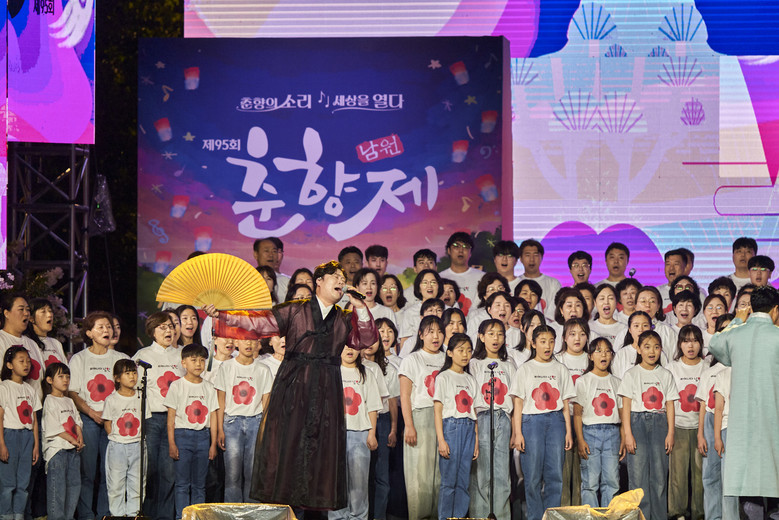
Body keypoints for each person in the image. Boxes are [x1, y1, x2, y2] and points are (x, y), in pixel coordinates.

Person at [207, 260, 378, 511]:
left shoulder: (344, 318)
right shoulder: (296, 310)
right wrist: (221, 315)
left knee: (321, 453)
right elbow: (258, 323)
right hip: (294, 386)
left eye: (343, 278)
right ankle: (285, 511)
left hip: (327, 391)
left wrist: (360, 307)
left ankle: (315, 511)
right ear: (319, 281)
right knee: (288, 449)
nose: (341, 281)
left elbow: (367, 338)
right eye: (335, 276)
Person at [708, 285, 779, 516]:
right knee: (773, 479)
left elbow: (715, 344)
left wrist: (738, 320)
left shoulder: (736, 333)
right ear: (776, 310)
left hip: (743, 425)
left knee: (749, 484)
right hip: (772, 419)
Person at [510, 325, 575, 520]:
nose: (548, 346)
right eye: (543, 341)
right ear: (533, 343)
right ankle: (535, 517)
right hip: (532, 423)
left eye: (551, 341)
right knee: (532, 477)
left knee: (555, 476)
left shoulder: (560, 369)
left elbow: (565, 403)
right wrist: (518, 433)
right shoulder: (525, 369)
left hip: (556, 422)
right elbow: (518, 404)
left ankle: (550, 517)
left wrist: (568, 431)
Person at [69, 311, 128, 520]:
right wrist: (91, 412)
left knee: (110, 472)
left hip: (115, 422)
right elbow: (73, 392)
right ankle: (86, 514)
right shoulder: (79, 359)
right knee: (87, 472)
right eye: (101, 327)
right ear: (89, 333)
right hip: (89, 419)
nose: (107, 330)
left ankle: (105, 514)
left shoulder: (121, 359)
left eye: (109, 326)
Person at [619, 330, 679, 520]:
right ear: (638, 349)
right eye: (647, 347)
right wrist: (627, 434)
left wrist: (670, 432)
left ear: (661, 349)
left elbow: (670, 405)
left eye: (656, 347)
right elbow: (626, 406)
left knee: (659, 476)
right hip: (637, 423)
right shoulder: (631, 374)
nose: (652, 351)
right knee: (638, 476)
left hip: (660, 423)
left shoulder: (666, 374)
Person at [133, 312, 185, 520]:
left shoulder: (182, 355)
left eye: (171, 326)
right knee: (150, 470)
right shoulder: (142, 356)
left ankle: (164, 516)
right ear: (152, 331)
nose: (168, 331)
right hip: (151, 418)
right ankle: (148, 514)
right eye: (162, 327)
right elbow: (134, 390)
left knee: (169, 472)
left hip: (176, 420)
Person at [214, 336, 273, 503]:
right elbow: (221, 400)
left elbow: (266, 403)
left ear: (258, 343)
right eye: (245, 340)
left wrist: (263, 430)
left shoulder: (263, 369)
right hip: (232, 423)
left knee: (252, 472)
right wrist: (220, 429)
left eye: (253, 340)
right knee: (232, 474)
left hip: (255, 422)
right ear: (236, 343)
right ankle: (233, 512)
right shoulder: (226, 367)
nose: (249, 343)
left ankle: (251, 512)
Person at [398, 315, 446, 520]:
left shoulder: (447, 358)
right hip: (421, 417)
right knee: (420, 476)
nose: (436, 337)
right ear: (420, 334)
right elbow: (405, 396)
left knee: (440, 476)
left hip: (444, 419)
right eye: (430, 332)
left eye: (440, 332)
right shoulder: (412, 359)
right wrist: (409, 425)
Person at [164, 344, 218, 520]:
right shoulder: (177, 386)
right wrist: (172, 443)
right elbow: (171, 418)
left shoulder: (209, 387)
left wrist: (213, 444)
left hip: (203, 437)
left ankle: (197, 517)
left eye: (202, 360)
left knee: (199, 485)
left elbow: (213, 416)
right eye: (193, 360)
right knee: (182, 484)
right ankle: (182, 517)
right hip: (182, 436)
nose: (198, 364)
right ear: (183, 363)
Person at [469, 320, 515, 520]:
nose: (496, 338)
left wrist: (515, 429)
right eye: (491, 333)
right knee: (481, 473)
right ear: (481, 337)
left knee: (502, 473)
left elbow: (515, 397)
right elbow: (470, 396)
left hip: (503, 418)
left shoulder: (509, 364)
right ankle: (480, 515)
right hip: (481, 418)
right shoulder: (474, 364)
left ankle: (502, 515)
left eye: (500, 334)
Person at [330, 345, 382, 520]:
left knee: (359, 483)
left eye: (354, 346)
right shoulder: (332, 372)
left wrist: (371, 433)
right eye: (345, 346)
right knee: (336, 482)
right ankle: (337, 517)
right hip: (335, 435)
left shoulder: (366, 374)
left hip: (360, 433)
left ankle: (358, 516)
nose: (349, 350)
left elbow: (372, 406)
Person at [573, 338, 623, 508]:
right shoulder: (583, 381)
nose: (604, 355)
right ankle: (591, 516)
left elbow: (622, 414)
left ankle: (608, 515)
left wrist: (623, 438)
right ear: (590, 356)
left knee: (612, 481)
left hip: (612, 433)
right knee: (590, 482)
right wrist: (580, 440)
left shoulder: (617, 382)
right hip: (590, 433)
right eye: (599, 351)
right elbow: (577, 414)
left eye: (607, 351)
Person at [433, 334, 478, 520]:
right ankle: (445, 517)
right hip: (451, 427)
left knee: (463, 481)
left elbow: (474, 413)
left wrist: (476, 441)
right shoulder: (443, 377)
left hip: (468, 428)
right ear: (450, 353)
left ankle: (459, 516)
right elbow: (437, 411)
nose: (465, 354)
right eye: (460, 350)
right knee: (449, 481)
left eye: (468, 350)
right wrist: (441, 440)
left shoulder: (470, 379)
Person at [667, 325, 707, 520]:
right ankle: (678, 513)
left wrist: (703, 432)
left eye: (695, 341)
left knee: (700, 474)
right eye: (686, 341)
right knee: (678, 474)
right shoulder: (672, 367)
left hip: (702, 427)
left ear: (701, 343)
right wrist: (670, 431)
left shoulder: (707, 367)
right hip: (678, 427)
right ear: (680, 344)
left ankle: (699, 513)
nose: (690, 346)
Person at [102, 359, 149, 516]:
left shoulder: (141, 396)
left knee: (137, 484)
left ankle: (133, 514)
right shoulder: (112, 399)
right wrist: (118, 438)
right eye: (127, 373)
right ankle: (117, 515)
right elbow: (108, 423)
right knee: (116, 484)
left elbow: (144, 421)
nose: (132, 376)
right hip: (118, 446)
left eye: (134, 372)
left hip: (137, 444)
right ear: (117, 378)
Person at [0, 346, 41, 520]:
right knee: (8, 483)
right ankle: (6, 515)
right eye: (21, 361)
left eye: (28, 361)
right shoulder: (4, 387)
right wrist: (2, 444)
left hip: (27, 437)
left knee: (23, 483)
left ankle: (19, 515)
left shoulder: (30, 389)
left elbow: (34, 420)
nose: (26, 364)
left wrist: (36, 445)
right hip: (10, 435)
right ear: (9, 365)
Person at [360, 335, 398, 520]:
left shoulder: (381, 368)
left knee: (381, 474)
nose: (369, 344)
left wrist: (393, 428)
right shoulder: (350, 366)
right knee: (361, 474)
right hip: (359, 421)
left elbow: (391, 400)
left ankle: (379, 516)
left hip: (381, 421)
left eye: (373, 340)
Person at [42, 362, 83, 520]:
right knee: (57, 491)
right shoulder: (50, 400)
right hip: (58, 451)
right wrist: (73, 440)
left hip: (73, 451)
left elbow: (77, 421)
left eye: (67, 376)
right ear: (50, 380)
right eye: (61, 376)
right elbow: (54, 428)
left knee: (73, 488)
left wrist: (80, 437)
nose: (65, 380)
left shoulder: (69, 401)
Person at [557, 318, 590, 506]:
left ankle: (579, 509)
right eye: (572, 334)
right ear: (564, 337)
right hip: (563, 418)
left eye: (582, 334)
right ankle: (563, 510)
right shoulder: (558, 359)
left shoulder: (591, 358)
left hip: (586, 419)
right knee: (563, 468)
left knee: (581, 470)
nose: (577, 338)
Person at [712, 366, 739, 520]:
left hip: (751, 430)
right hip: (728, 428)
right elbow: (718, 408)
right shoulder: (723, 375)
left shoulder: (753, 371)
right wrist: (717, 437)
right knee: (728, 480)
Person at [439, 232, 484, 312]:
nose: (461, 250)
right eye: (456, 246)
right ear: (449, 250)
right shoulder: (440, 278)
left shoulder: (482, 277)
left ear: (470, 252)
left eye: (465, 247)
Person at [517, 239, 561, 321]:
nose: (532, 259)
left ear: (542, 257)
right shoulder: (516, 282)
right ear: (520, 258)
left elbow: (553, 315)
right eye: (527, 255)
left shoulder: (553, 283)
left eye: (536, 255)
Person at [25, 298, 67, 368]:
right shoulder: (26, 342)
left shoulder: (56, 343)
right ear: (31, 318)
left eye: (50, 311)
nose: (49, 315)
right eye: (43, 311)